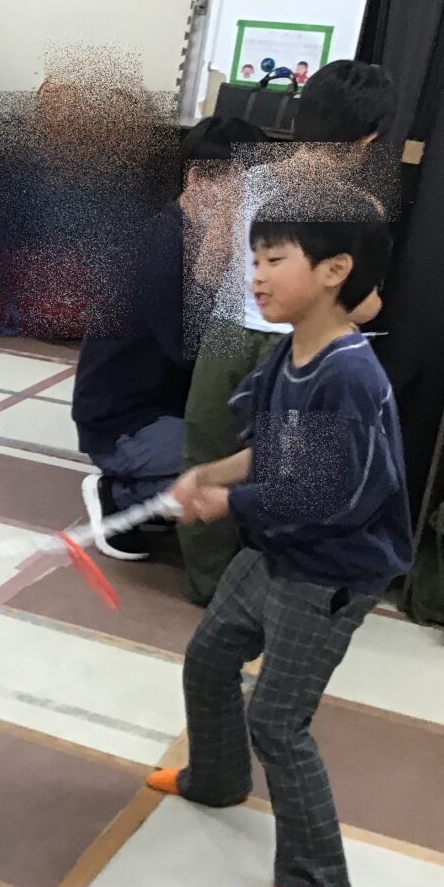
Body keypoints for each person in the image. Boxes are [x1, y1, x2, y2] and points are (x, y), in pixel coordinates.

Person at [150, 192, 410, 887]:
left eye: (273, 260)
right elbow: (270, 452)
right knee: (209, 659)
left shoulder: (349, 374)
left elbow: (330, 494)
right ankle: (216, 779)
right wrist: (209, 474)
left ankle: (320, 881)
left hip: (329, 573)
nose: (256, 276)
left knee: (278, 721)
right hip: (276, 552)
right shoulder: (286, 357)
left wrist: (230, 503)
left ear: (334, 271)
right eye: (254, 260)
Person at [177, 58, 397, 604]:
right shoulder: (361, 209)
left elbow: (207, 271)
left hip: (227, 334)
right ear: (367, 139)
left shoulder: (246, 182)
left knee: (208, 455)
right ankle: (270, 589)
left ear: (300, 117)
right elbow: (365, 307)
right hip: (301, 349)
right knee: (290, 474)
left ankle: (208, 587)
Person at [73, 116, 267, 558]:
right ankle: (118, 496)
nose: (247, 207)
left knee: (246, 457)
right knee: (231, 465)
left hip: (165, 406)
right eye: (240, 192)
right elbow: (189, 350)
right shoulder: (159, 247)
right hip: (124, 422)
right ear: (197, 179)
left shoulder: (200, 241)